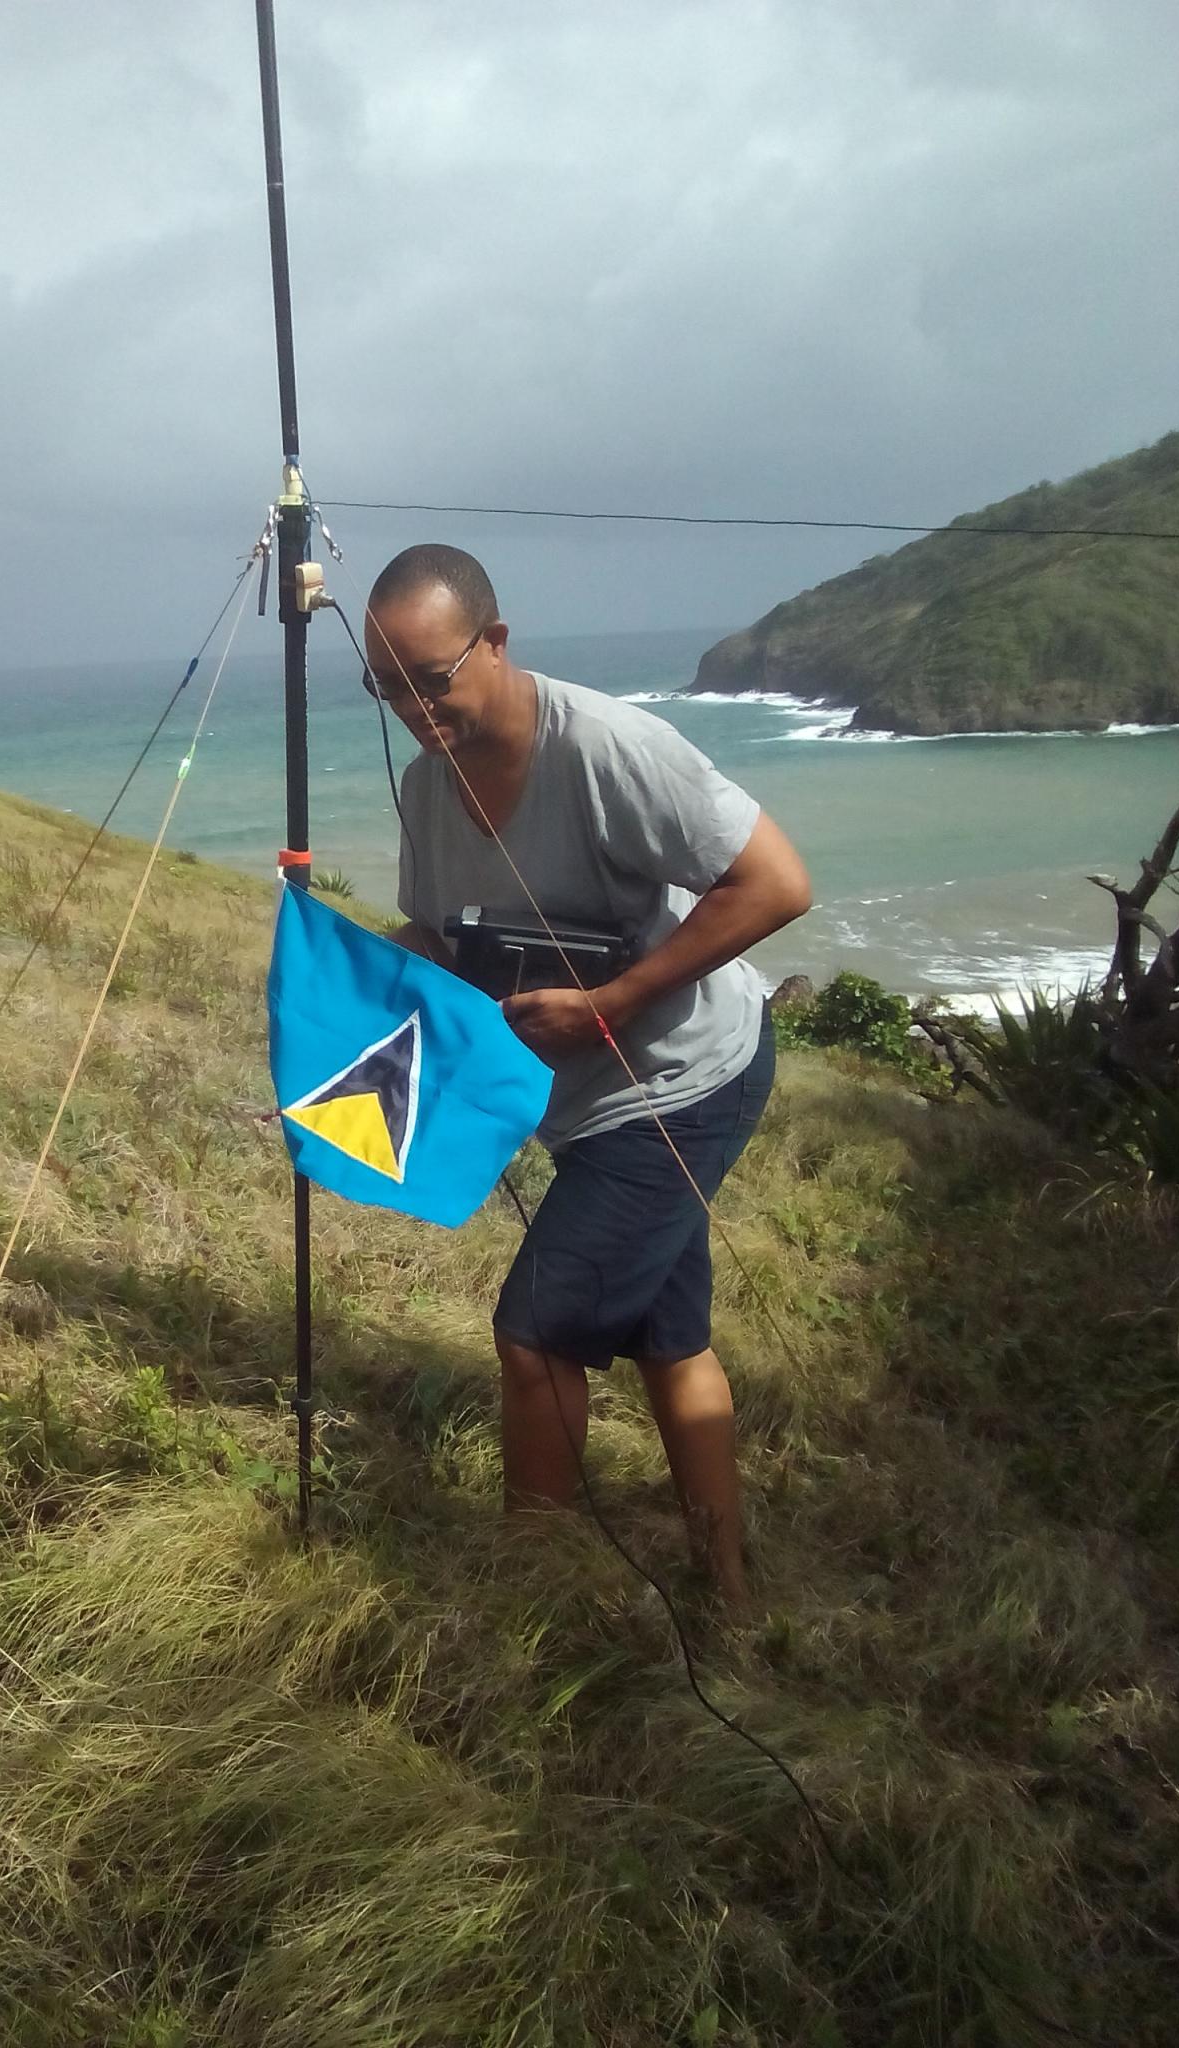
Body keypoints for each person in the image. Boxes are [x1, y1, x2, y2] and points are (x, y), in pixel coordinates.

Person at [368, 543, 811, 1606]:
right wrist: (345, 968)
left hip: (686, 1079)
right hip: (580, 1104)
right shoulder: (426, 788)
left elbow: (777, 883)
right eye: (387, 689)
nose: (415, 711)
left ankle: (535, 1593)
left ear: (496, 641)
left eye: (431, 679)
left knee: (533, 1337)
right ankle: (728, 1589)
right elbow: (440, 939)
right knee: (670, 1341)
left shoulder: (610, 747)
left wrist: (613, 1001)